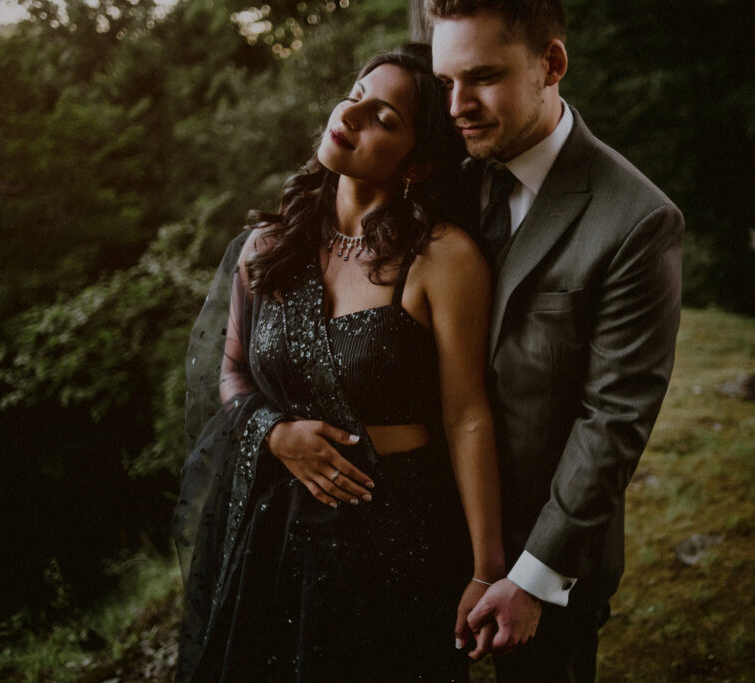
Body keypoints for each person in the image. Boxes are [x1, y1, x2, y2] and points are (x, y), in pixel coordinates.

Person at [173, 43, 505, 681]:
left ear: (419, 163)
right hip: (271, 529)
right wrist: (276, 434)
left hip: (392, 535)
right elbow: (231, 372)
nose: (350, 116)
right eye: (356, 94)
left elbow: (467, 417)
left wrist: (484, 569)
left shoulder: (441, 258)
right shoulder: (267, 248)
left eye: (384, 118)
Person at [424, 1, 685, 680]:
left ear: (552, 63)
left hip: (543, 560)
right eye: (445, 83)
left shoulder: (636, 219)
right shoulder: (447, 180)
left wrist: (534, 576)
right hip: (424, 535)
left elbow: (615, 418)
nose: (458, 106)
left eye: (481, 77)